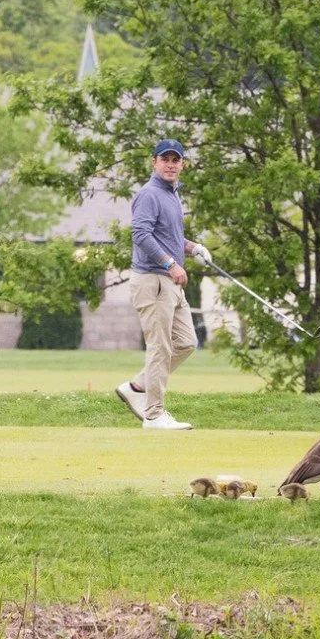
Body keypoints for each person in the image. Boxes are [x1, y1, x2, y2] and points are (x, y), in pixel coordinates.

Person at [115, 139, 212, 430]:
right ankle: (154, 414)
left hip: (169, 282)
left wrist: (193, 248)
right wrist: (171, 263)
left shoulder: (171, 194)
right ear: (154, 162)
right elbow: (141, 235)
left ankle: (137, 386)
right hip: (154, 280)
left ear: (182, 164)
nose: (170, 165)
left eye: (175, 160)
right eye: (165, 159)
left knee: (186, 342)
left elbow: (168, 236)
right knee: (159, 347)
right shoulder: (150, 194)